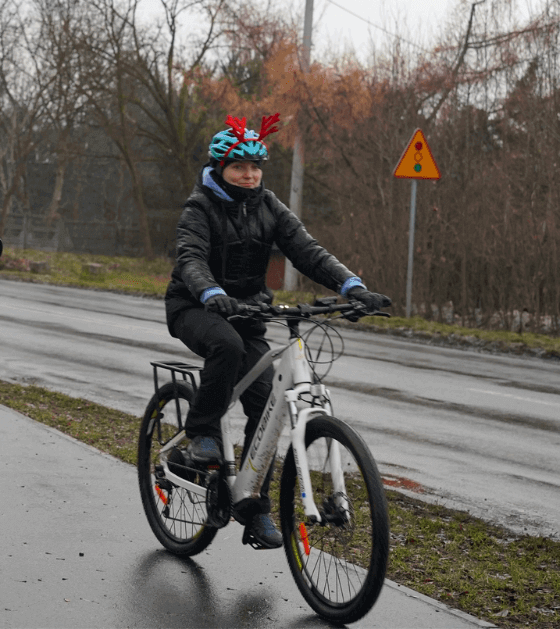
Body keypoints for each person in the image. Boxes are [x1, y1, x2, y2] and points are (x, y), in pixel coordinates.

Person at [165, 114, 391, 549]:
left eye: (255, 167)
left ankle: (252, 506)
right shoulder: (200, 207)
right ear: (219, 168)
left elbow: (306, 250)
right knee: (226, 346)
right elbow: (190, 257)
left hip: (248, 310)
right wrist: (211, 291)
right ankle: (203, 434)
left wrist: (353, 286)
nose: (249, 175)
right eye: (239, 167)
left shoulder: (269, 206)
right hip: (195, 306)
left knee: (266, 406)